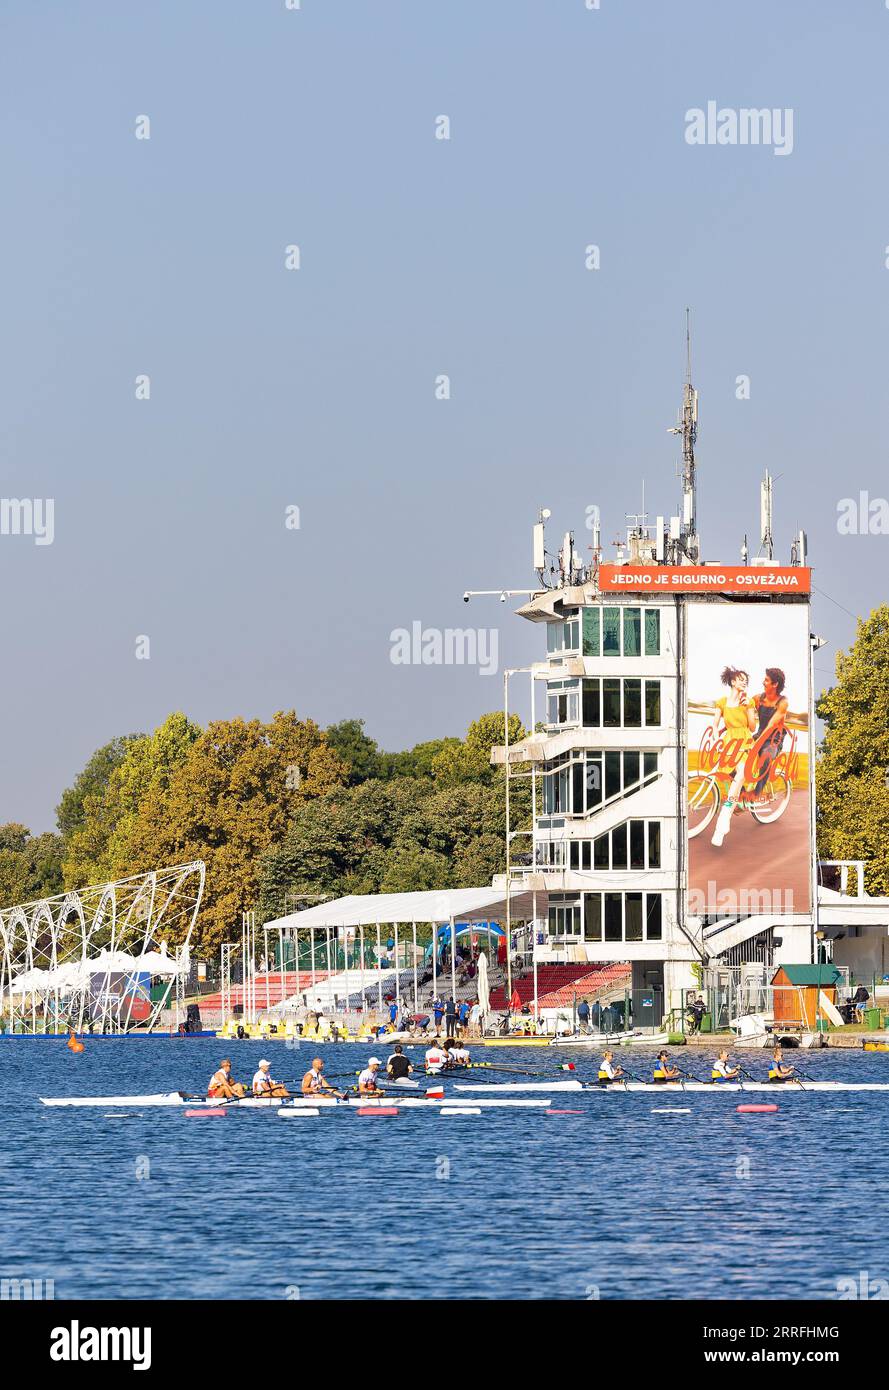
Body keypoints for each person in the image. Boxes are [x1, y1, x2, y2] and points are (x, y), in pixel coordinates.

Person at [710, 665, 758, 847]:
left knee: (741, 775)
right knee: (730, 778)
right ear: (732, 681)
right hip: (729, 743)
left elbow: (753, 728)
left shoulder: (749, 702)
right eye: (740, 679)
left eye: (746, 680)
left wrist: (747, 709)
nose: (744, 682)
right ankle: (736, 802)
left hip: (745, 742)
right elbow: (715, 725)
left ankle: (723, 822)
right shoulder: (721, 702)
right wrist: (716, 740)